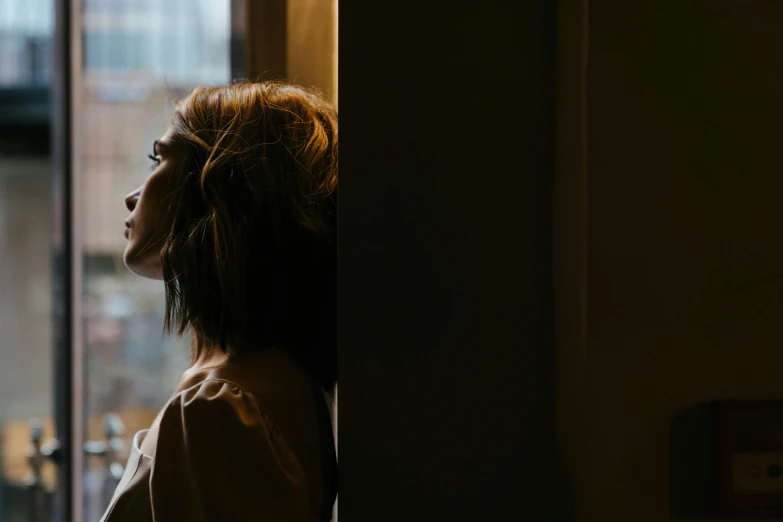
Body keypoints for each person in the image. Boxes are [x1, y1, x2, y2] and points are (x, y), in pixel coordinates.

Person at [101, 81, 338, 521]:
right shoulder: (269, 382)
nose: (131, 196)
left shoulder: (221, 410)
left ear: (218, 188)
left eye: (158, 158)